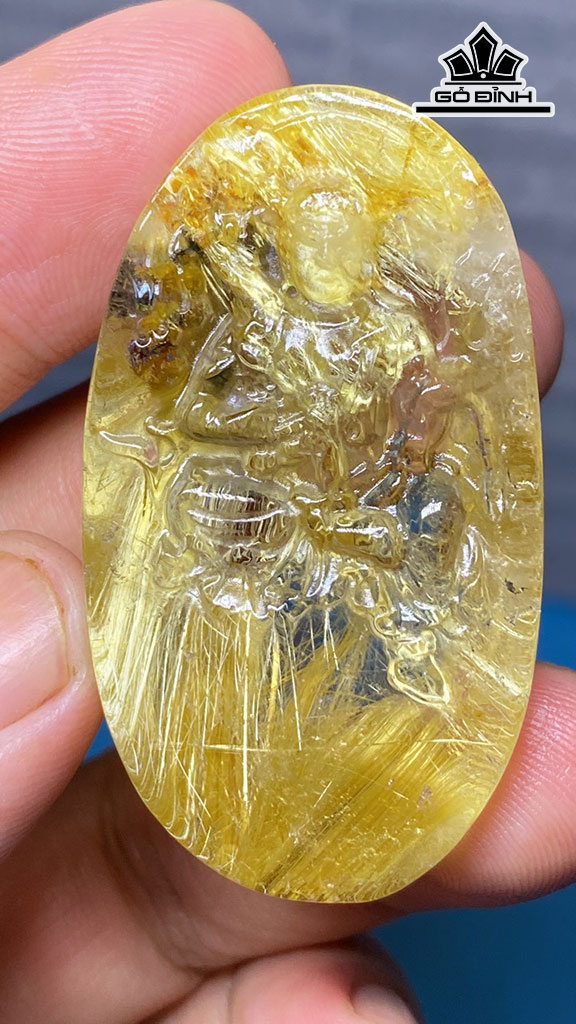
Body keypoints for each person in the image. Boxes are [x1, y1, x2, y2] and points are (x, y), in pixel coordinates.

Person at [0, 2, 568, 1021]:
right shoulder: (254, 332)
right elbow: (196, 419)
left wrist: (379, 475)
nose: (331, 255)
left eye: (346, 238)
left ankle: (380, 715)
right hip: (261, 522)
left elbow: (415, 438)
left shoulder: (390, 334)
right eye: (316, 238)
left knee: (408, 584)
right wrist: (272, 440)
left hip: (361, 525)